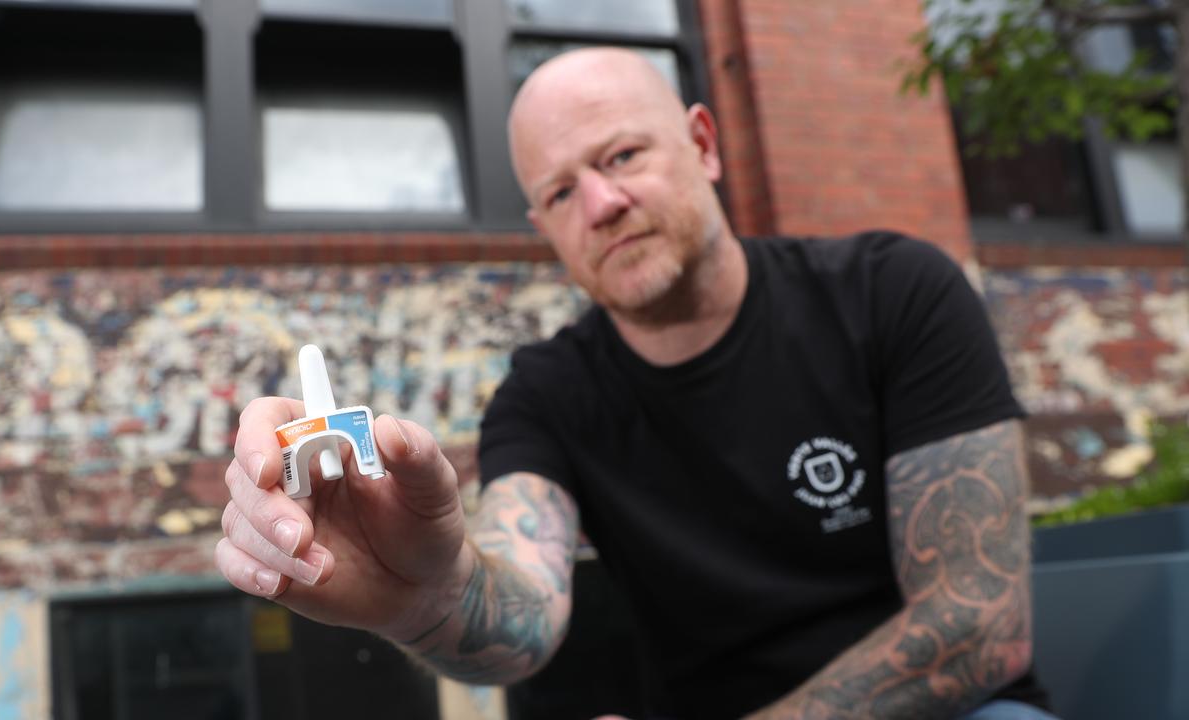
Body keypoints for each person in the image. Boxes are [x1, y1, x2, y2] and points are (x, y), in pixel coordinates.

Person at [215, 47, 1056, 719]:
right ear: (544, 227)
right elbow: (523, 622)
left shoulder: (891, 293)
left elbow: (977, 627)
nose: (603, 203)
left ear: (703, 144)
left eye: (621, 155)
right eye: (560, 191)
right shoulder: (548, 395)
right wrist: (419, 596)